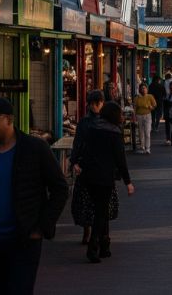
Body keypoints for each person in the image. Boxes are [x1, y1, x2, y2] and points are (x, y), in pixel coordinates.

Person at [0, 97, 69, 295]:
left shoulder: (34, 149)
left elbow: (60, 188)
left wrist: (42, 226)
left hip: (24, 240)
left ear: (9, 120)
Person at [74, 101, 136, 262]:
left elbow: (82, 148)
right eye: (120, 114)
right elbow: (120, 159)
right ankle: (93, 248)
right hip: (104, 177)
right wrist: (128, 181)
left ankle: (105, 245)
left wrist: (77, 163)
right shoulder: (115, 133)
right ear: (114, 115)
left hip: (88, 175)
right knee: (101, 212)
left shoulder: (92, 128)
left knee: (100, 209)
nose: (123, 116)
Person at [70, 89, 106, 245]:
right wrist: (74, 161)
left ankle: (96, 234)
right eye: (92, 104)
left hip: (95, 167)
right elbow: (77, 143)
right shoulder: (87, 122)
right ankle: (89, 231)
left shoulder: (104, 121)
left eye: (96, 103)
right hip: (90, 166)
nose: (95, 106)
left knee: (93, 202)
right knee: (88, 202)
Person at [133, 83, 157, 154]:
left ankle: (148, 148)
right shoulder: (136, 98)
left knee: (147, 132)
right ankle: (142, 146)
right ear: (140, 89)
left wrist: (151, 107)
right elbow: (134, 108)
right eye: (142, 88)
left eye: (145, 88)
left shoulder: (150, 96)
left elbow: (155, 105)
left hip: (147, 115)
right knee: (141, 132)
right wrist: (134, 117)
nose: (143, 89)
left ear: (147, 89)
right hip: (139, 116)